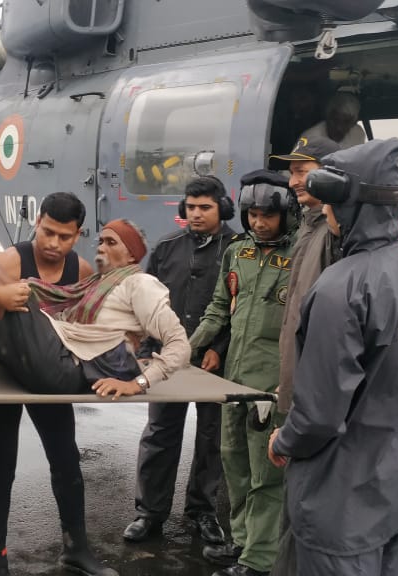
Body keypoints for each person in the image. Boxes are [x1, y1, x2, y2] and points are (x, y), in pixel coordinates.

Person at [267, 139, 398, 576]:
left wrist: (283, 442)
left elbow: (318, 415)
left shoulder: (342, 287)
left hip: (341, 506)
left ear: (347, 206)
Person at [0, 193, 117, 576]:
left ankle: (77, 549)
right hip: (2, 377)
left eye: (65, 237)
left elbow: (88, 322)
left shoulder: (81, 269)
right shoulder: (11, 260)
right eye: (48, 232)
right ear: (37, 221)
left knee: (66, 460)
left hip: (49, 379)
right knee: (0, 468)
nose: (54, 244)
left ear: (78, 235)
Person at [188, 170, 297, 576]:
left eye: (267, 215)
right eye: (251, 214)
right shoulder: (238, 252)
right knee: (234, 464)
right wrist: (188, 347)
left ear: (285, 213)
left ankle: (259, 559)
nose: (257, 222)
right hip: (233, 378)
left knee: (266, 473)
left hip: (270, 384)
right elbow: (219, 308)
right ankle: (241, 541)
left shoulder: (301, 254)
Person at [123, 176, 236, 546]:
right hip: (165, 359)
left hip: (213, 362)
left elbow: (240, 308)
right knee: (160, 434)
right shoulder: (167, 247)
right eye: (191, 207)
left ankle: (202, 512)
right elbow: (145, 301)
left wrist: (219, 346)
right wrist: (143, 352)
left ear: (222, 207)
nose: (197, 214)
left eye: (205, 207)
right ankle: (149, 513)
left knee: (212, 439)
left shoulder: (237, 249)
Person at [0, 219, 190, 401]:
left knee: (16, 291)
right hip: (61, 359)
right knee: (7, 290)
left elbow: (180, 345)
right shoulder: (95, 284)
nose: (100, 248)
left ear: (131, 256)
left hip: (68, 369)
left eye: (111, 242)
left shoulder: (141, 283)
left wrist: (138, 384)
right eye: (100, 242)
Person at [269, 136, 341, 414]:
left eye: (302, 172)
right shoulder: (308, 228)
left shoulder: (335, 234)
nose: (291, 182)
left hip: (318, 391)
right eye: (291, 174)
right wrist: (289, 380)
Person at [300, 92, 366, 149]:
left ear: (353, 123)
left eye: (346, 122)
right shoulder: (309, 139)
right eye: (335, 120)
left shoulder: (358, 134)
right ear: (327, 117)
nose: (339, 128)